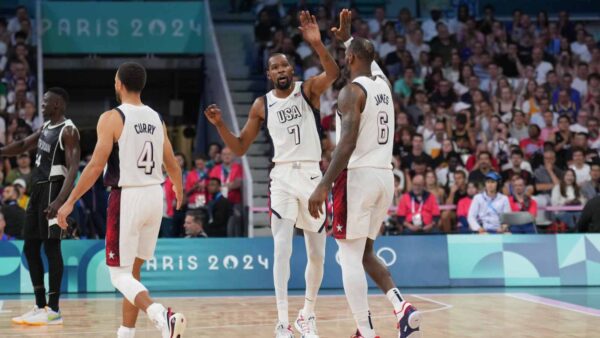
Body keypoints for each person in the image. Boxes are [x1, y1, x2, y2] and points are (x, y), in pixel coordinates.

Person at [204, 11, 339, 338]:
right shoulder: (261, 105)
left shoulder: (308, 90)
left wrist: (318, 44)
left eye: (285, 65)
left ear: (291, 70)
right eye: (275, 67)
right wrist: (221, 125)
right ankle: (282, 321)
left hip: (311, 176)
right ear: (268, 73)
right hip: (281, 178)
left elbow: (333, 73)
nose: (280, 70)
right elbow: (238, 148)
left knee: (317, 253)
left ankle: (307, 313)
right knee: (281, 248)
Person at [308, 9, 421, 338]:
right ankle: (402, 308)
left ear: (352, 57)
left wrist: (322, 185)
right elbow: (365, 54)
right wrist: (347, 37)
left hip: (357, 177)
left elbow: (346, 144)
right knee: (365, 252)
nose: (343, 57)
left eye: (345, 53)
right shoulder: (382, 83)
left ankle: (365, 331)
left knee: (347, 256)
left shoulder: (351, 92)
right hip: (385, 177)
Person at [55, 62, 186, 338]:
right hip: (155, 196)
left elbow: (94, 167)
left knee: (118, 275)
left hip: (128, 197)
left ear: (119, 83)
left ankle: (161, 314)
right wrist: (178, 189)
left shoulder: (112, 117)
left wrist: (68, 202)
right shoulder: (156, 118)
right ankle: (126, 332)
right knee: (132, 274)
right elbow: (171, 162)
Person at [1, 88, 80, 326]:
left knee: (52, 248)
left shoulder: (69, 130)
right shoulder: (46, 126)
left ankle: (53, 309)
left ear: (57, 104)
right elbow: (24, 144)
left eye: (45, 101)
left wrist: (60, 201)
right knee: (30, 248)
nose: (41, 104)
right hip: (36, 190)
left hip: (53, 190)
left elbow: (74, 167)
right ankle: (39, 305)